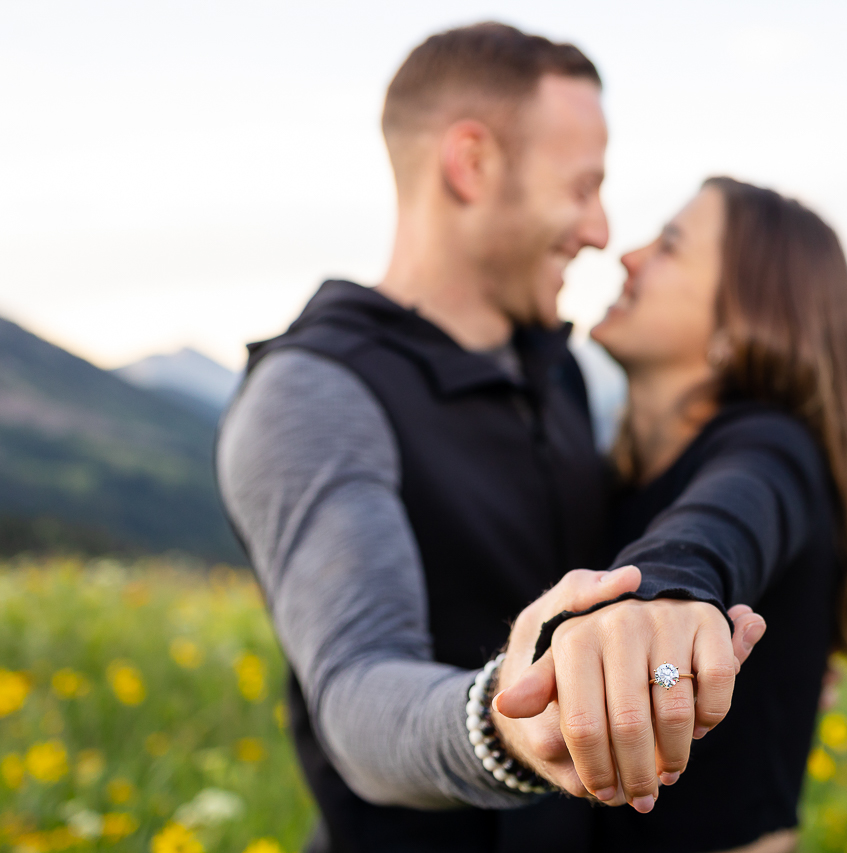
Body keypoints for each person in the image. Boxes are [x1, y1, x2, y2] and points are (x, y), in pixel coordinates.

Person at [216, 23, 766, 853]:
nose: (599, 228)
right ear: (470, 164)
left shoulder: (555, 371)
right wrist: (509, 721)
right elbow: (358, 692)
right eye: (582, 188)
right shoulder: (313, 393)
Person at [494, 177, 847, 852]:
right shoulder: (623, 475)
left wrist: (666, 597)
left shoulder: (772, 447)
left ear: (742, 317)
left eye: (668, 246)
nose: (627, 255)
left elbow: (728, 517)